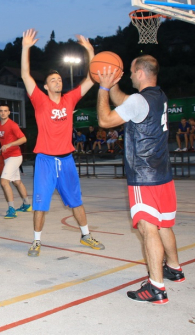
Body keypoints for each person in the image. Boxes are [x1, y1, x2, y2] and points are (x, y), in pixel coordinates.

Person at [96, 55, 184, 304]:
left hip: (144, 176)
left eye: (133, 71)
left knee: (148, 229)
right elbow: (125, 102)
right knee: (164, 224)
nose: (131, 75)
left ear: (142, 73)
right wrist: (113, 83)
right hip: (163, 174)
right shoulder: (159, 96)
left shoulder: (138, 100)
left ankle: (156, 287)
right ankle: (175, 268)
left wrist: (102, 88)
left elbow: (104, 120)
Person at [21, 28, 105, 257]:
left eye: (59, 79)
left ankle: (86, 235)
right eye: (53, 80)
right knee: (40, 203)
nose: (57, 81)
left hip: (67, 159)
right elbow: (26, 77)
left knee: (76, 201)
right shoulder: (40, 101)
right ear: (46, 86)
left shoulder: (69, 99)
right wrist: (25, 48)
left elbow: (90, 79)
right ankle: (37, 241)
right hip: (46, 160)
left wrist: (89, 51)